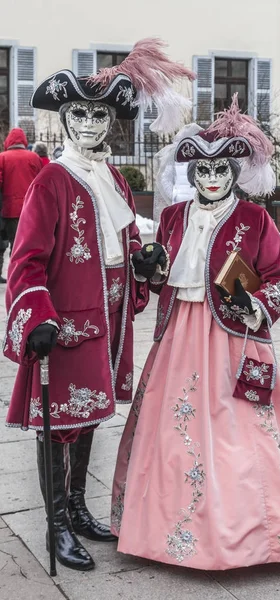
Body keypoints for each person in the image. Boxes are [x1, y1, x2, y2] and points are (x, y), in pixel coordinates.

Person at [3, 38, 194, 571]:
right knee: (60, 421)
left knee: (88, 418)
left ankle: (81, 508)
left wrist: (144, 260)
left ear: (112, 121)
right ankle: (57, 522)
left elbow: (123, 240)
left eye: (99, 114)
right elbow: (25, 261)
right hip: (66, 321)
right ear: (65, 120)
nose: (89, 124)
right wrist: (36, 315)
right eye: (78, 114)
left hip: (107, 318)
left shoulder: (112, 178)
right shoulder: (51, 180)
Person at [111, 95, 280, 570]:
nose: (210, 180)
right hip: (177, 336)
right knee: (170, 434)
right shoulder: (171, 218)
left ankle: (253, 531)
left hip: (230, 336)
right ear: (192, 176)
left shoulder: (254, 219)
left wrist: (257, 304)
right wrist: (149, 270)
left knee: (240, 429)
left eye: (220, 172)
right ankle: (160, 529)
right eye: (202, 172)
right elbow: (164, 273)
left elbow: (279, 277)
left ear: (234, 174)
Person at [0, 128, 42, 257]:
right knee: (25, 246)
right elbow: (42, 183)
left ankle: (9, 274)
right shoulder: (34, 157)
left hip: (9, 210)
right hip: (30, 210)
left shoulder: (2, 158)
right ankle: (21, 275)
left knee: (9, 243)